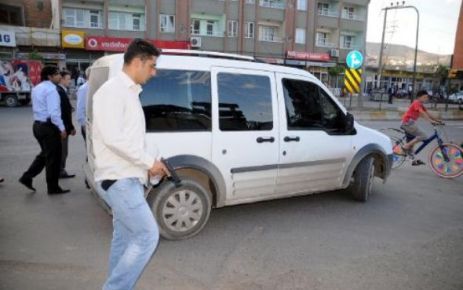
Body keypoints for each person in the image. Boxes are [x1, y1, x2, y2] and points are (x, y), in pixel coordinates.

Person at [92, 39, 169, 290]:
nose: (154, 72)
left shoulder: (130, 93)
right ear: (137, 62)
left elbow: (130, 139)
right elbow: (114, 138)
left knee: (124, 239)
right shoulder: (113, 91)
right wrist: (148, 161)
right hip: (119, 179)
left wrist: (151, 164)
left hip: (128, 178)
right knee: (147, 235)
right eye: (152, 66)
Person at [19, 66, 70, 194]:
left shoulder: (37, 88)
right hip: (49, 127)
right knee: (53, 159)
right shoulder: (52, 90)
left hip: (37, 126)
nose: (60, 76)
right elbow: (54, 113)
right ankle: (53, 188)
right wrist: (62, 128)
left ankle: (27, 177)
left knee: (45, 154)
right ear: (50, 77)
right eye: (57, 74)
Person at [394, 90, 443, 166]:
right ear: (419, 97)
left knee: (412, 142)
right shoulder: (416, 103)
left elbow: (427, 113)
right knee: (423, 136)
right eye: (424, 97)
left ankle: (412, 159)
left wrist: (437, 120)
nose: (426, 99)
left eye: (427, 97)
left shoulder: (421, 104)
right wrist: (430, 121)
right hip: (407, 123)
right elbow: (422, 113)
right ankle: (404, 147)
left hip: (410, 123)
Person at [56, 70, 76, 178]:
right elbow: (63, 113)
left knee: (63, 151)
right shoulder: (59, 91)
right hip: (62, 127)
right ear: (62, 79)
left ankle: (60, 170)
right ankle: (60, 171)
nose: (70, 81)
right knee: (62, 151)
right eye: (68, 79)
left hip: (64, 126)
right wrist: (69, 127)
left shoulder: (62, 90)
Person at [76, 67, 90, 141]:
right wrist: (84, 125)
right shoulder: (84, 88)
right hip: (87, 125)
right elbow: (80, 108)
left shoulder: (94, 86)